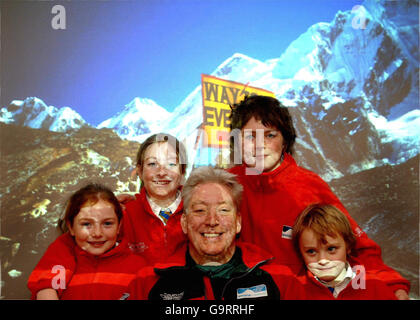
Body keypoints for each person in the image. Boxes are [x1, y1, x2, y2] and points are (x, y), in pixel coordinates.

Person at [227, 95, 410, 299]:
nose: (259, 145)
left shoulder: (309, 186)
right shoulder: (225, 185)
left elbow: (357, 244)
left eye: (270, 135)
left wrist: (392, 285)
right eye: (250, 136)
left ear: (285, 140)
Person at [27, 133, 188, 298]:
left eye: (171, 164)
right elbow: (71, 244)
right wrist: (48, 287)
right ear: (139, 170)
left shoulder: (199, 211)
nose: (162, 172)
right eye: (152, 164)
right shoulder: (121, 212)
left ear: (183, 171)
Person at [127, 166, 285, 300]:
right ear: (184, 223)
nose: (212, 221)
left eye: (223, 210)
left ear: (238, 222)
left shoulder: (280, 278)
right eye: (200, 210)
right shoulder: (147, 283)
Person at [27, 183, 146, 299]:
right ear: (71, 227)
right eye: (87, 224)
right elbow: (46, 289)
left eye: (107, 223)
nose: (97, 233)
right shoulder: (63, 256)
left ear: (119, 226)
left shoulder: (139, 268)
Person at [279, 204, 397, 299]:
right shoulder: (294, 290)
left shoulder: (374, 287)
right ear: (301, 253)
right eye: (311, 251)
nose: (322, 260)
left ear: (348, 246)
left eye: (331, 249)